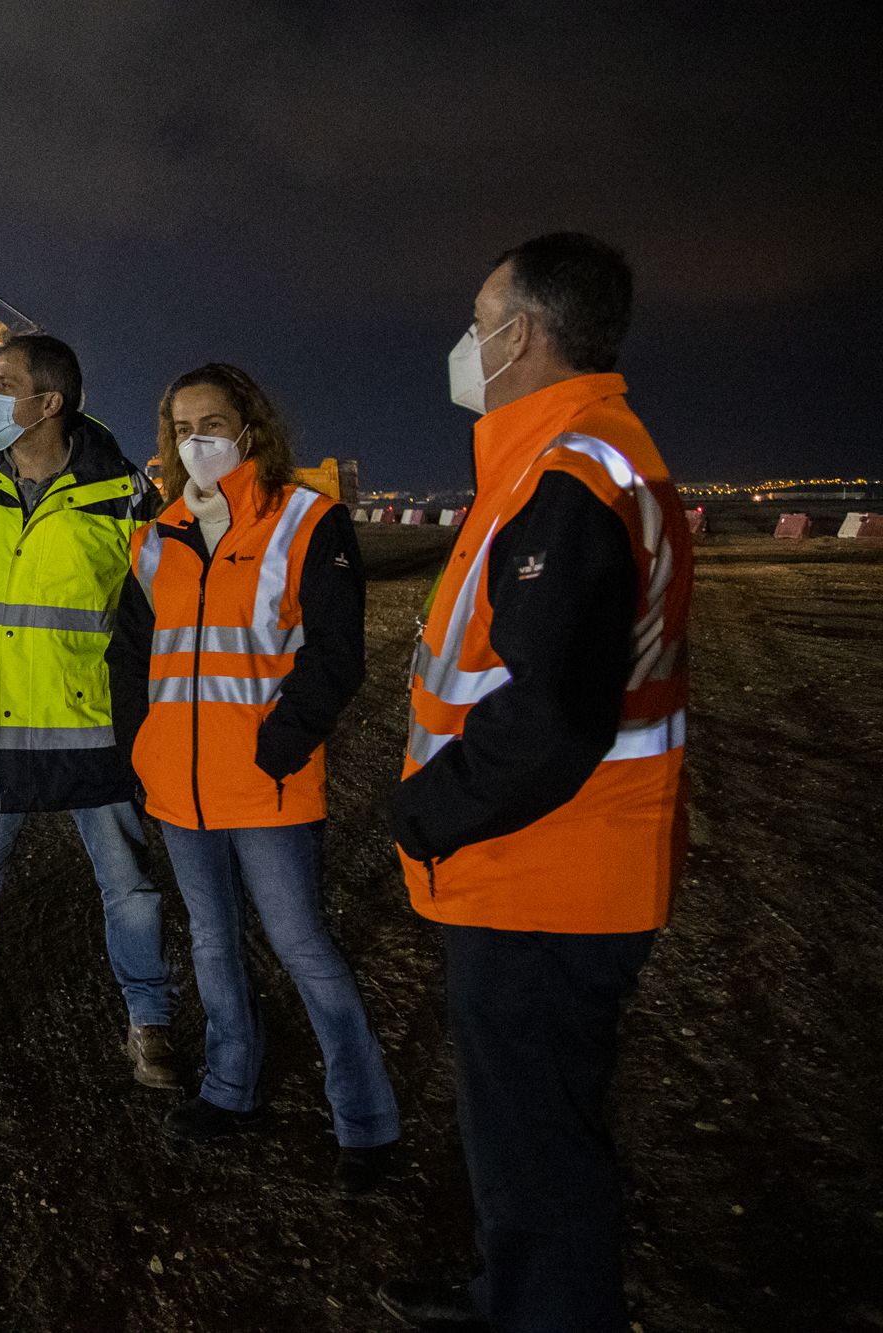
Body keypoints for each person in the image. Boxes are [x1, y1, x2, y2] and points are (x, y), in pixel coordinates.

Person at [378, 234, 692, 1333]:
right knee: (519, 1132)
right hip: (546, 865)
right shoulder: (564, 454)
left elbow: (550, 716)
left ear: (521, 332)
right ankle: (507, 1296)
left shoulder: (568, 475)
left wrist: (424, 810)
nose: (466, 340)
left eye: (478, 316)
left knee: (539, 1146)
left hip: (549, 876)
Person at [107, 363, 399, 1193]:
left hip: (267, 786)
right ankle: (230, 1089)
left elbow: (337, 656)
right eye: (181, 426)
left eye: (212, 421)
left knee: (303, 945)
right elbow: (130, 657)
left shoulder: (308, 520)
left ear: (249, 427)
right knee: (209, 940)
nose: (196, 439)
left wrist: (279, 746)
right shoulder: (156, 535)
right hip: (180, 788)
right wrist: (143, 745)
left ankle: (367, 1121)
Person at [0, 333, 177, 1088]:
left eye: (1, 381)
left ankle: (151, 1025)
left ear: (48, 402)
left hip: (93, 736)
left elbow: (154, 615)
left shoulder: (122, 497)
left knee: (129, 889)